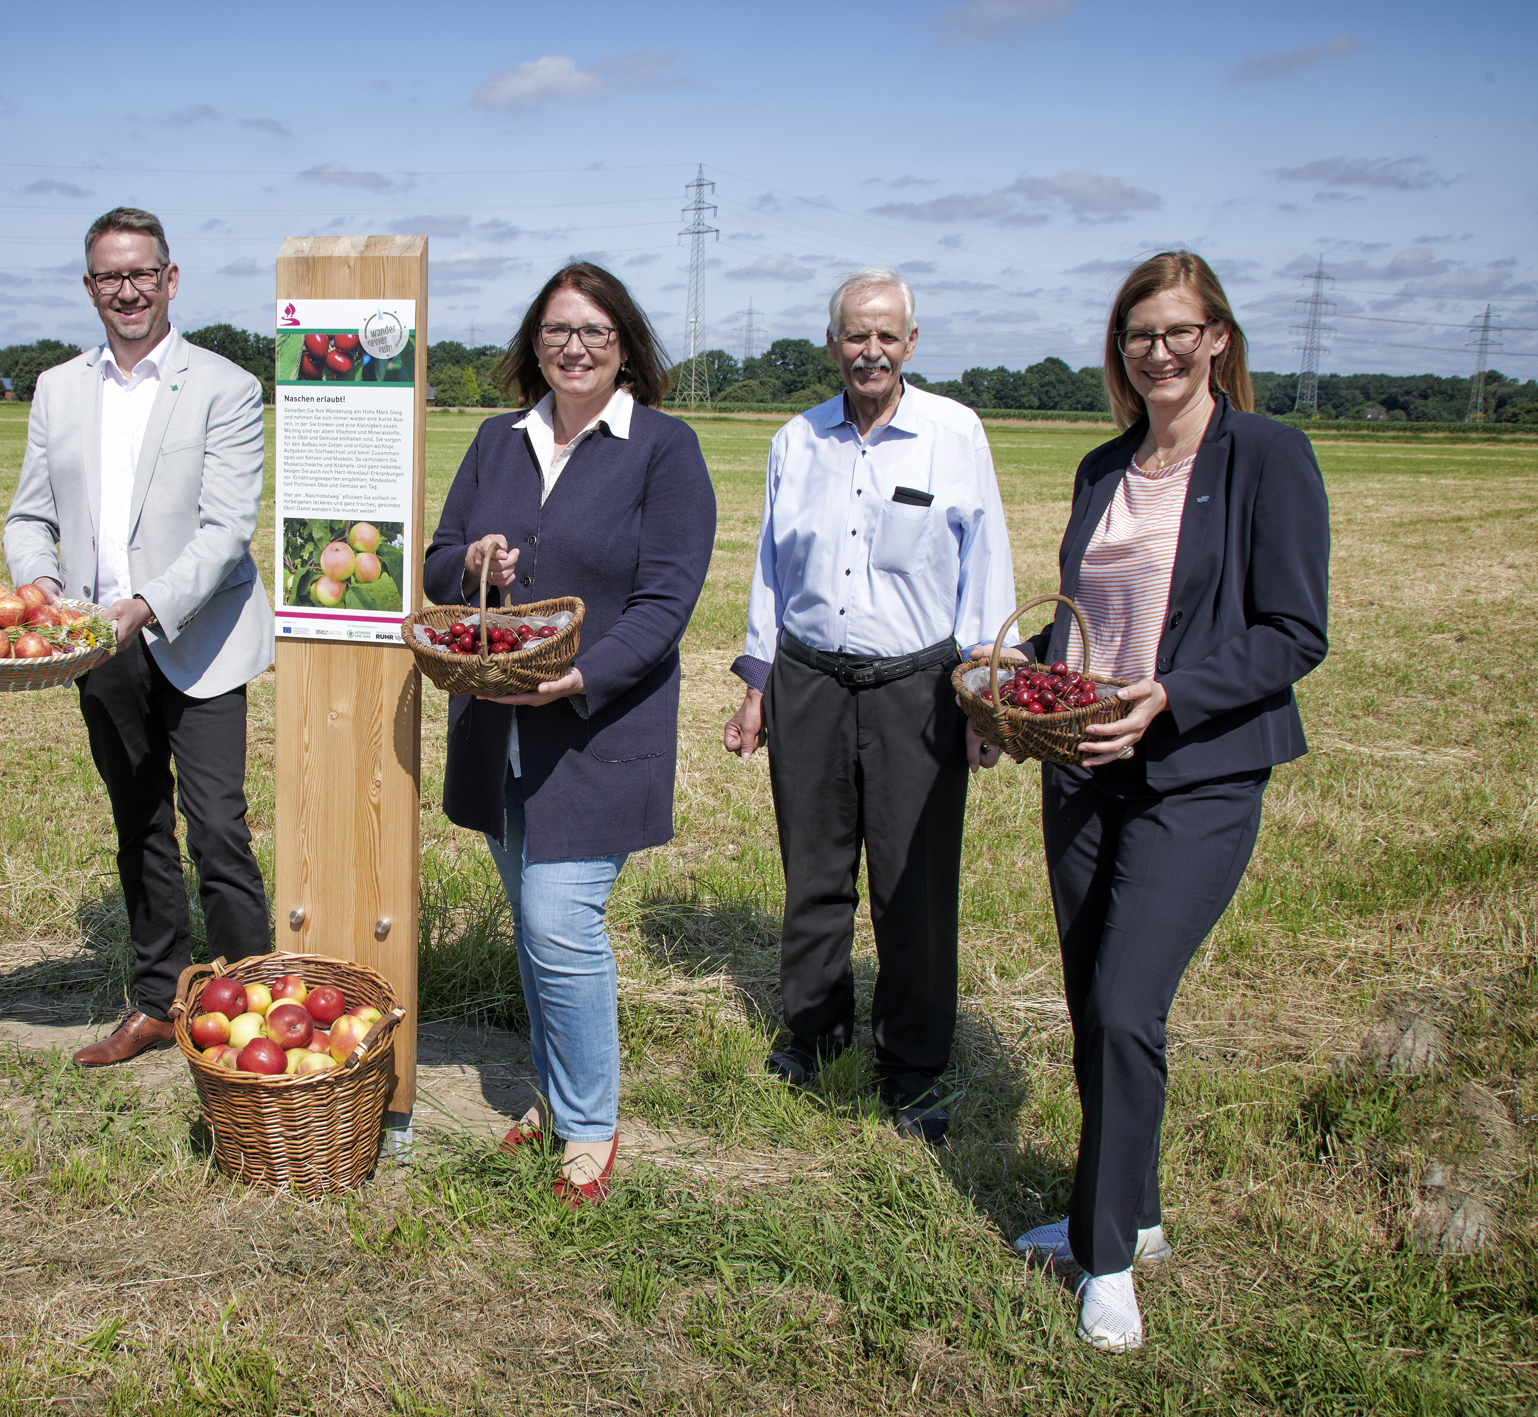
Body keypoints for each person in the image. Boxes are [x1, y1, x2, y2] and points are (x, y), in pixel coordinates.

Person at [991, 252, 1329, 1351]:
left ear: (1217, 338)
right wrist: (1019, 686)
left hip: (1197, 770)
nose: (1158, 351)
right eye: (1139, 334)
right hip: (1081, 765)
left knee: (1129, 1004)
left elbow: (1292, 631)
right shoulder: (1103, 466)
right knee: (1094, 1004)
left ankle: (1103, 1262)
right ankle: (1127, 1212)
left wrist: (1170, 696)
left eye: (1179, 331)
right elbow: (1081, 616)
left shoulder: (1266, 458)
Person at [424, 263, 716, 1205]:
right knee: (532, 921)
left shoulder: (663, 450)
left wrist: (580, 677)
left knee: (561, 922)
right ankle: (553, 1098)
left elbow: (667, 600)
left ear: (624, 343)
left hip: (596, 728)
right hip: (496, 727)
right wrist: (469, 557)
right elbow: (437, 565)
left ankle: (590, 1127)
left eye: (593, 331)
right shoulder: (496, 440)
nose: (574, 347)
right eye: (556, 331)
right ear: (533, 344)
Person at [721, 269, 1017, 1141]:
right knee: (813, 871)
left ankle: (914, 1064)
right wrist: (757, 683)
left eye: (887, 335)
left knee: (913, 884)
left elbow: (985, 564)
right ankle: (812, 1035)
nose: (871, 350)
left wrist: (985, 693)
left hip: (916, 688)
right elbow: (771, 573)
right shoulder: (795, 440)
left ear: (912, 345)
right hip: (809, 678)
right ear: (833, 344)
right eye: (856, 335)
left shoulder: (955, 435)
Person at [4, 206, 273, 1067]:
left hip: (196, 637)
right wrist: (40, 584)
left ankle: (254, 1010)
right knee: (138, 824)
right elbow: (29, 514)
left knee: (218, 827)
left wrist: (147, 606)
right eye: (111, 276)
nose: (129, 290)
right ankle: (160, 1000)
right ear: (90, 287)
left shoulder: (225, 385)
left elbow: (226, 528)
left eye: (143, 273)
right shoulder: (57, 388)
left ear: (172, 279)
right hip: (97, 642)